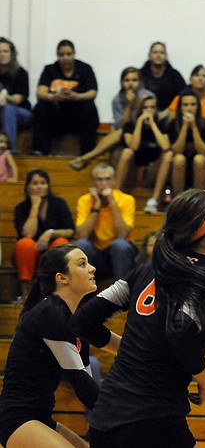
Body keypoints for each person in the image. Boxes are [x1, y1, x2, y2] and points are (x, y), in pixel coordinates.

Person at [69, 189, 205, 447]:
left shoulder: (146, 269)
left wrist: (128, 349)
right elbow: (180, 331)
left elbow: (82, 321)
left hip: (105, 416)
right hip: (153, 419)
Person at [0, 244, 108, 448]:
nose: (92, 268)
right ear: (62, 278)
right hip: (17, 419)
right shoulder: (50, 313)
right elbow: (80, 381)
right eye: (82, 264)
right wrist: (124, 414)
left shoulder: (77, 321)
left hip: (41, 417)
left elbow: (87, 384)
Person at [69, 67, 155, 172]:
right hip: (126, 133)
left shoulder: (148, 96)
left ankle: (87, 157)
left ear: (140, 82)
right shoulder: (117, 99)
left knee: (120, 133)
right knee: (116, 151)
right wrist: (129, 105)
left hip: (145, 132)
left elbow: (151, 119)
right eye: (127, 80)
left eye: (134, 80)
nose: (130, 84)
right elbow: (120, 126)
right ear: (121, 83)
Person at [13, 169, 75, 298]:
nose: (39, 186)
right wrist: (35, 207)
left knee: (61, 242)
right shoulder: (21, 208)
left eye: (43, 183)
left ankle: (58, 292)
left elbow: (70, 230)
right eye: (35, 183)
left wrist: (50, 233)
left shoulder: (59, 203)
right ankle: (26, 293)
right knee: (25, 244)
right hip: (32, 252)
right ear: (28, 187)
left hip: (52, 248)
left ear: (48, 186)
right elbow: (28, 234)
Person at [32, 39, 99, 156]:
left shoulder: (85, 69)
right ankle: (39, 151)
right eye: (62, 55)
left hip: (77, 117)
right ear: (57, 56)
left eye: (68, 54)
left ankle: (88, 152)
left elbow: (92, 92)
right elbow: (40, 92)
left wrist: (77, 96)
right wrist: (53, 96)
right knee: (40, 107)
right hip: (56, 116)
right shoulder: (50, 69)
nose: (65, 58)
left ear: (74, 54)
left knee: (89, 107)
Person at [74, 163, 136, 280]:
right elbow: (82, 234)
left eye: (107, 179)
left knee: (120, 245)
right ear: (94, 182)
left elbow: (122, 235)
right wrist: (97, 204)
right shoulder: (85, 200)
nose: (103, 184)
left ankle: (122, 288)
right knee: (81, 244)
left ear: (114, 182)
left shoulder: (127, 199)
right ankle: (84, 289)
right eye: (99, 180)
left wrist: (113, 203)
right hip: (96, 253)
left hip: (119, 252)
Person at [115, 94, 172, 214]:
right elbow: (133, 146)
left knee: (168, 155)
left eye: (152, 107)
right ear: (139, 109)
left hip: (152, 171)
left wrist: (153, 125)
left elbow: (165, 147)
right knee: (126, 152)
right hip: (133, 170)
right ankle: (115, 194)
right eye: (145, 108)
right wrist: (140, 123)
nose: (149, 111)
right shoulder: (130, 125)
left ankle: (154, 200)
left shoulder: (162, 125)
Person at [166, 91, 205, 194]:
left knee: (199, 159)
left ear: (198, 107)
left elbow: (203, 152)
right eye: (185, 105)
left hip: (203, 168)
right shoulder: (173, 124)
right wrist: (184, 127)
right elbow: (176, 151)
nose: (189, 108)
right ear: (180, 107)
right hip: (179, 168)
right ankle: (178, 199)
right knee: (178, 159)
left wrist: (194, 127)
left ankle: (199, 199)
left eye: (193, 104)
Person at [167, 65, 205, 135]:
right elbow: (171, 125)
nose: (200, 78)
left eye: (204, 76)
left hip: (204, 137)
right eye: (196, 75)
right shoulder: (178, 99)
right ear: (190, 80)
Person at [0, 37, 33, 153]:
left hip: (21, 113)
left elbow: (17, 99)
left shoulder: (21, 73)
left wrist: (5, 97)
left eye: (5, 51)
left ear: (12, 54)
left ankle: (10, 151)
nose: (2, 55)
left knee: (8, 109)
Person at [139, 41, 185, 115]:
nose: (158, 55)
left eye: (162, 52)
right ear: (149, 56)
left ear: (166, 56)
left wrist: (169, 111)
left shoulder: (175, 75)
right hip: (144, 113)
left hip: (170, 114)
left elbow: (183, 96)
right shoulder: (140, 75)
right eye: (155, 52)